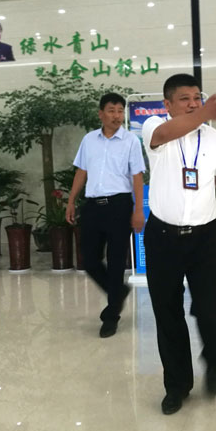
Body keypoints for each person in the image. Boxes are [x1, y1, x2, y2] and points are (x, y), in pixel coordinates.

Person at [141, 73, 216, 415]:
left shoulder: (214, 138)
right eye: (184, 99)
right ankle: (177, 386)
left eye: (197, 98)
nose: (193, 104)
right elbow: (163, 135)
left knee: (210, 309)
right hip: (163, 238)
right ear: (167, 103)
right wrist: (205, 113)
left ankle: (215, 360)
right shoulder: (155, 127)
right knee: (167, 313)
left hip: (203, 238)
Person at [65, 93, 145, 338]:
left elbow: (137, 177)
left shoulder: (131, 141)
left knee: (116, 261)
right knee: (89, 260)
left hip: (119, 205)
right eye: (111, 110)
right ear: (101, 114)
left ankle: (111, 316)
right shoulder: (89, 140)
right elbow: (81, 171)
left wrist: (138, 210)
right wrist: (71, 201)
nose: (117, 116)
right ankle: (118, 291)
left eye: (120, 111)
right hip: (92, 206)